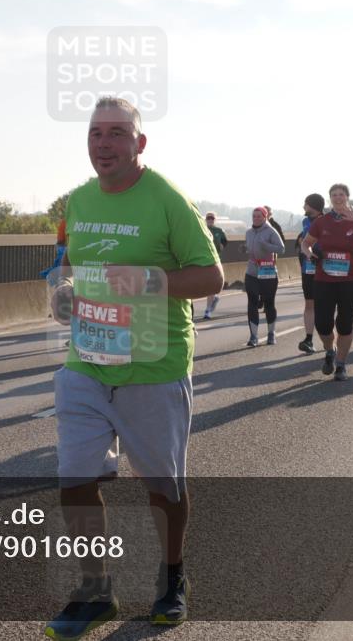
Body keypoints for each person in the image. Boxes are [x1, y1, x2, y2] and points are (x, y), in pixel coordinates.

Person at [47, 97, 223, 638]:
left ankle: (172, 579)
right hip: (87, 361)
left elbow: (212, 278)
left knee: (162, 485)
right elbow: (73, 267)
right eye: (96, 133)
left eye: (117, 133)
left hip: (153, 361)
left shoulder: (168, 200)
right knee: (75, 480)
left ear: (139, 143)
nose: (105, 143)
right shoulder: (76, 201)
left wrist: (152, 282)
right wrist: (66, 292)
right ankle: (96, 590)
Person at [300, 184, 353, 381]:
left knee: (344, 324)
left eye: (341, 194)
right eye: (334, 195)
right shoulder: (322, 221)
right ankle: (330, 350)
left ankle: (341, 365)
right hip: (324, 279)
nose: (338, 198)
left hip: (351, 279)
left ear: (347, 197)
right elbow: (305, 243)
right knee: (323, 323)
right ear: (330, 198)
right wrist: (309, 255)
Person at [244, 207, 285, 346]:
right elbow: (249, 248)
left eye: (259, 216)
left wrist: (266, 245)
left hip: (268, 271)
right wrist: (246, 249)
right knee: (252, 303)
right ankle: (253, 337)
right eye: (254, 216)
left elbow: (281, 248)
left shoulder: (271, 231)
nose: (256, 218)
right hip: (252, 272)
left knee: (268, 303)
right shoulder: (248, 233)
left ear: (265, 217)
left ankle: (271, 333)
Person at [295, 194, 325, 353]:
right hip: (308, 268)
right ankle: (308, 339)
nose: (303, 207)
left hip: (325, 267)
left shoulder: (328, 221)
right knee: (309, 304)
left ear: (313, 206)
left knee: (325, 307)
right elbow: (306, 241)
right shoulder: (305, 221)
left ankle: (330, 343)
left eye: (305, 204)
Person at [202, 212, 228, 319]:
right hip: (202, 260)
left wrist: (221, 246)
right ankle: (215, 298)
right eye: (208, 218)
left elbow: (224, 242)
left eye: (212, 218)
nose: (210, 220)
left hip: (214, 261)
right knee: (204, 285)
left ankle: (208, 310)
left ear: (215, 220)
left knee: (211, 287)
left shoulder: (219, 231)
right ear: (205, 219)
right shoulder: (201, 229)